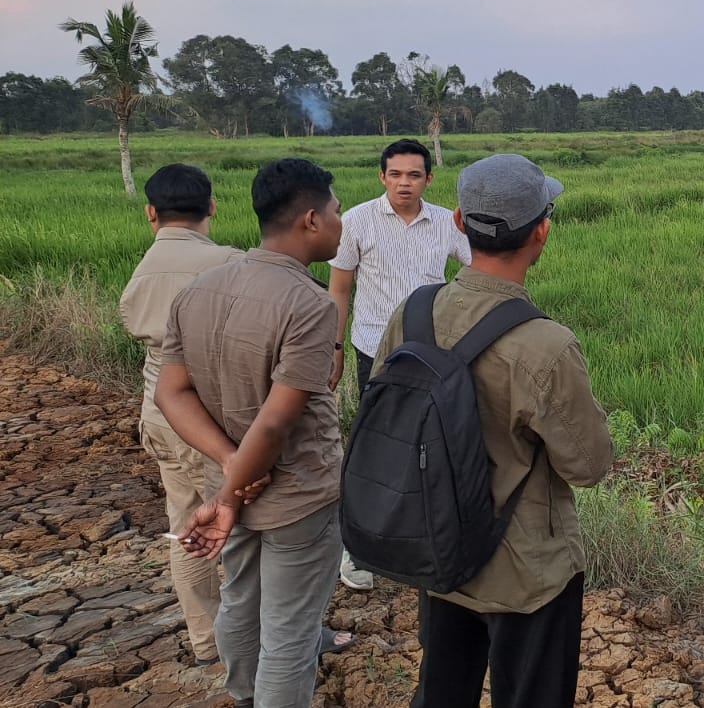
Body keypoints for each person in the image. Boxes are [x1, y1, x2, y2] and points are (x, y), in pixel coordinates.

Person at [370, 153, 612, 708]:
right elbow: (589, 466)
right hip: (529, 572)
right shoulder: (546, 345)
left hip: (439, 552)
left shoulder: (415, 313)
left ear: (458, 221)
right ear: (542, 232)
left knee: (442, 691)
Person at [157, 158, 347, 708]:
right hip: (297, 495)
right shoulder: (309, 305)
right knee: (290, 630)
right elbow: (276, 421)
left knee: (241, 600)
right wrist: (230, 490)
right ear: (310, 219)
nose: (340, 222)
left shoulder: (200, 290)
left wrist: (226, 469)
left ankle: (244, 696)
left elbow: (172, 392)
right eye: (335, 211)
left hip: (238, 484)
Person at [329, 138, 470, 591]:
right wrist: (333, 348)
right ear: (381, 177)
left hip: (433, 354)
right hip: (374, 349)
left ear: (429, 178)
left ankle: (426, 540)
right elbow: (339, 291)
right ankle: (358, 550)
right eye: (395, 174)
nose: (404, 183)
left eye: (413, 175)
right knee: (373, 447)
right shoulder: (356, 222)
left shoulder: (448, 223)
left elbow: (479, 271)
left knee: (431, 444)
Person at [119, 164, 242, 667]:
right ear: (212, 206)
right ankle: (247, 641)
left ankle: (207, 642)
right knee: (237, 533)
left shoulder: (142, 271)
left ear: (151, 213)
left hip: (158, 415)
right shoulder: (230, 264)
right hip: (212, 424)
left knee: (185, 526)